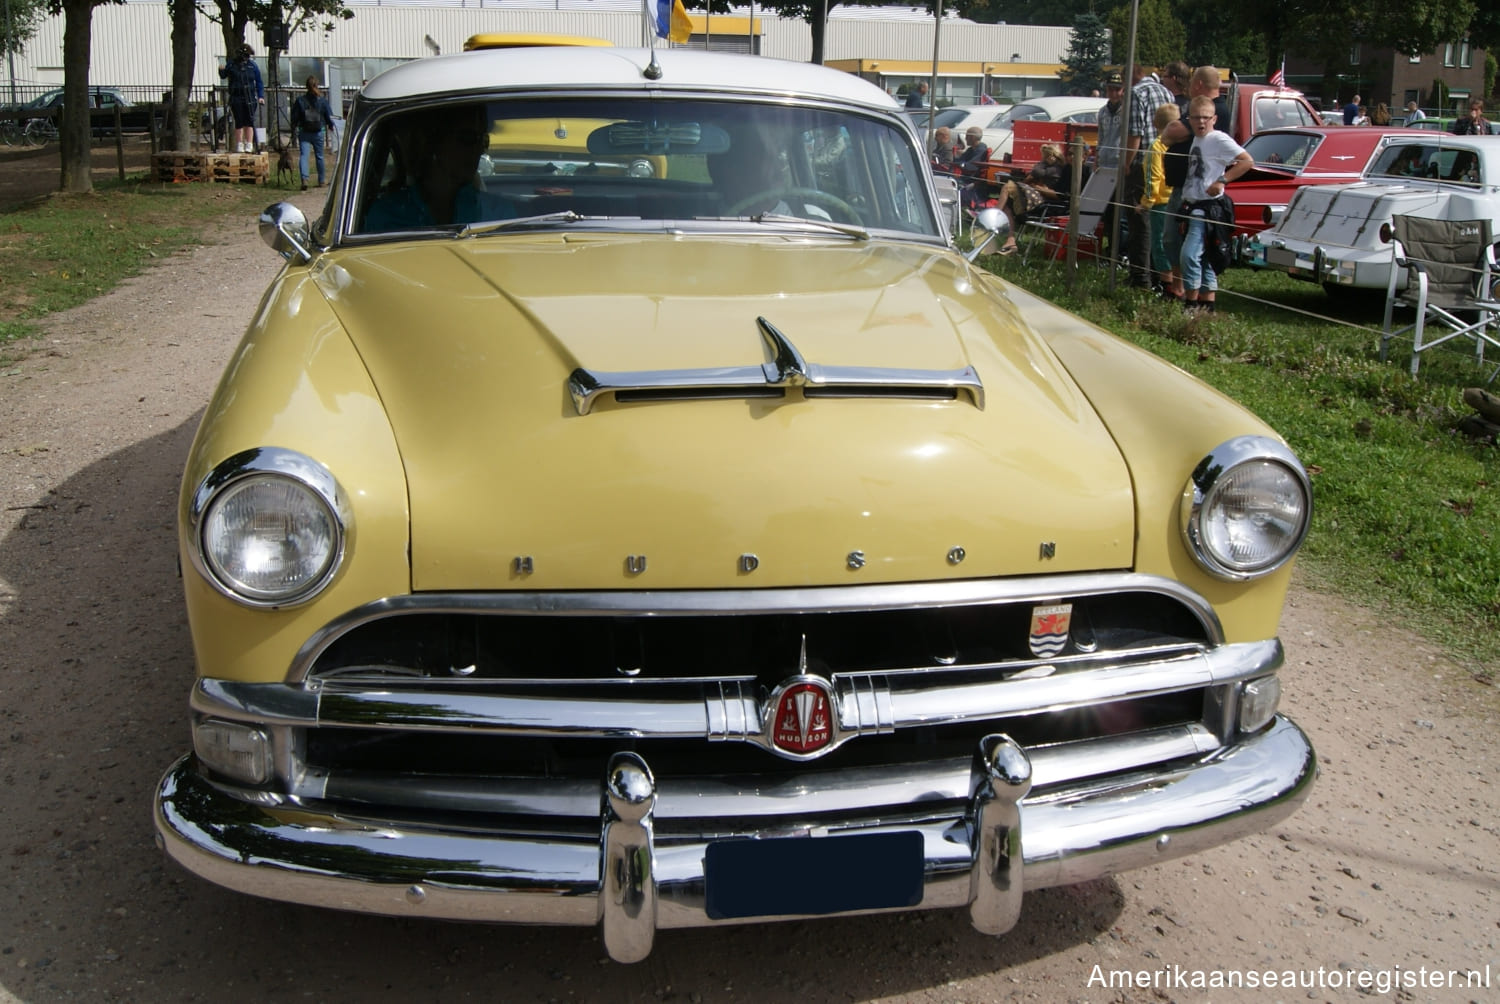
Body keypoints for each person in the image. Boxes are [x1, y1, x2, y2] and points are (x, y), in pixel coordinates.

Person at [363, 104, 514, 231]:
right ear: (434, 142)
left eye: (484, 140)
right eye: (467, 138)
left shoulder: (498, 213)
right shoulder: (387, 214)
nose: (479, 149)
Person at [1178, 95, 1251, 313]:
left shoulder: (1218, 139)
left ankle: (1190, 305)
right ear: (1189, 119)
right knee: (1207, 256)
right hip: (1192, 204)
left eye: (1205, 118)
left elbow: (1247, 161)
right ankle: (1207, 306)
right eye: (1196, 117)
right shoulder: (1197, 140)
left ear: (1214, 118)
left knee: (1189, 254)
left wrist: (1222, 180)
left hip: (1208, 207)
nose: (1201, 122)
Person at [1123, 64, 1175, 288]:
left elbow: (1135, 132)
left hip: (1143, 162)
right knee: (1160, 229)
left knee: (1139, 225)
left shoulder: (1136, 93)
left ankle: (1140, 277)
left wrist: (1126, 162)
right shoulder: (1166, 91)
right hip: (1167, 158)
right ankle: (1158, 275)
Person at [1140, 102, 1183, 298]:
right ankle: (1178, 284)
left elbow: (1153, 177)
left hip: (1159, 202)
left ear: (1155, 122)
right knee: (1176, 243)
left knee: (1160, 244)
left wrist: (1146, 201)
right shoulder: (1180, 145)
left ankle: (1165, 285)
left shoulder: (1156, 146)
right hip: (1177, 199)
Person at [992, 143, 1067, 254]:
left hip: (1045, 200)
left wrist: (1041, 165)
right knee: (1007, 204)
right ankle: (1010, 241)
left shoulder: (1056, 169)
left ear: (1056, 156)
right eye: (1045, 156)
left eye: (1049, 156)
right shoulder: (1047, 167)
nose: (1047, 159)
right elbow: (1031, 176)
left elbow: (1036, 172)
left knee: (1007, 187)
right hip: (1038, 195)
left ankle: (994, 217)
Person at [291, 75, 336, 190]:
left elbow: (294, 117)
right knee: (319, 156)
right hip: (318, 131)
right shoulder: (322, 101)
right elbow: (329, 116)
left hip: (304, 131)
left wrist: (294, 126)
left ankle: (304, 179)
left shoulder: (300, 100)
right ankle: (321, 180)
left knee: (304, 155)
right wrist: (331, 126)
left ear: (306, 86)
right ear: (317, 85)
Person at [218, 44, 264, 153]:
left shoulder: (252, 66)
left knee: (249, 121)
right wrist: (220, 70)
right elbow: (224, 75)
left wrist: (261, 96)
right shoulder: (232, 65)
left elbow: (259, 81)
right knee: (239, 121)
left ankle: (249, 143)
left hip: (250, 97)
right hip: (237, 97)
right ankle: (239, 143)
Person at [953, 125, 990, 209]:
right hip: (966, 177)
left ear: (972, 137)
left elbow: (971, 166)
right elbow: (960, 160)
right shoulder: (971, 149)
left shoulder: (981, 150)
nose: (965, 138)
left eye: (967, 136)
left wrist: (961, 164)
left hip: (971, 180)